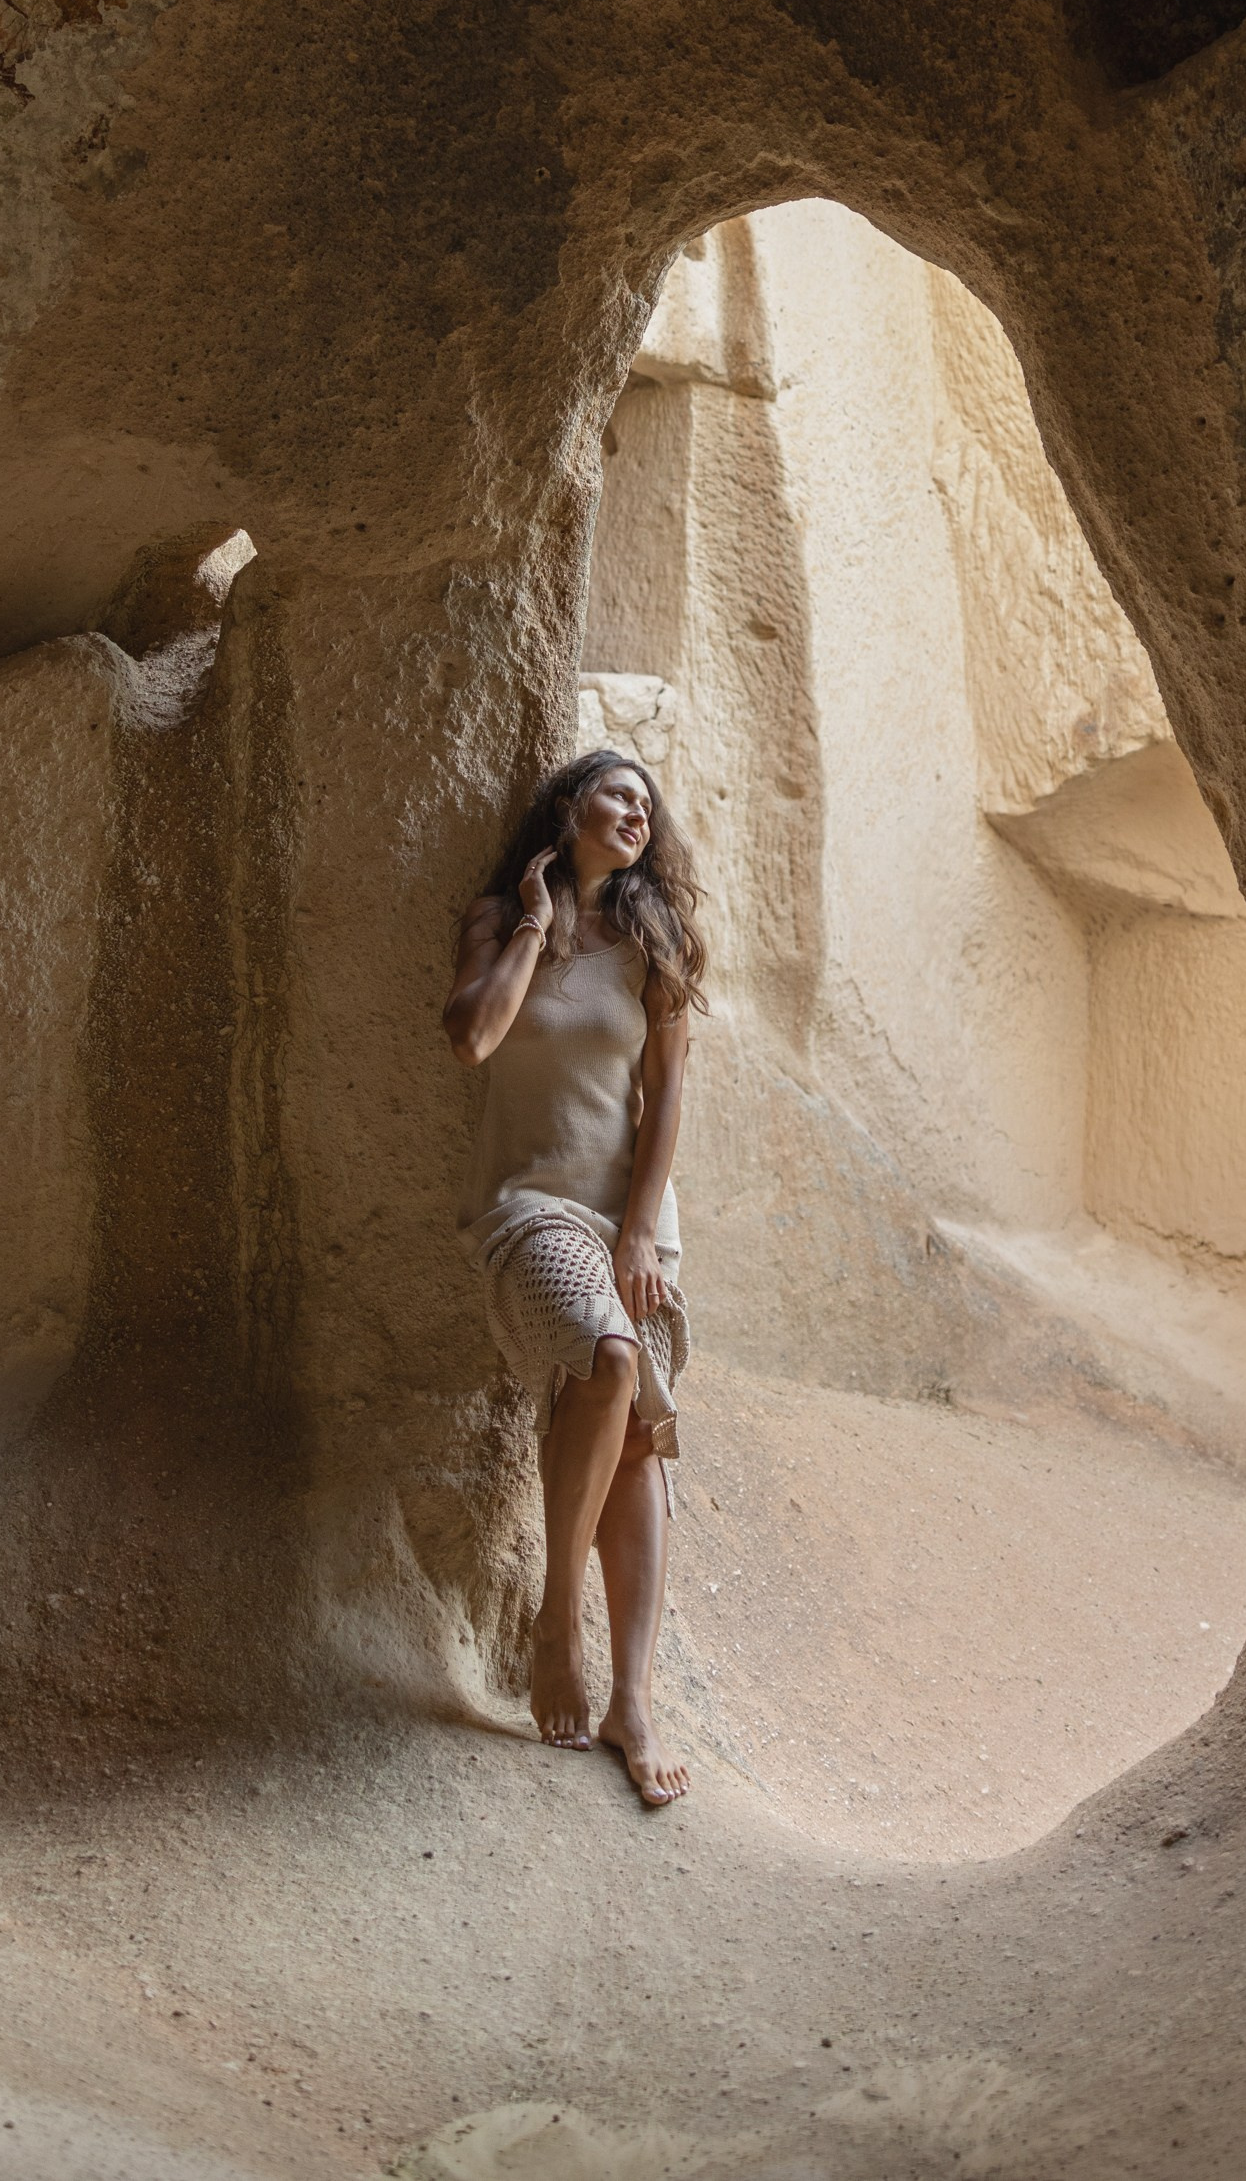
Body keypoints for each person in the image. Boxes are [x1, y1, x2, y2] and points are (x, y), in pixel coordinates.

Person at [444, 747, 706, 1807]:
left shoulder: (656, 939)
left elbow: (668, 1092)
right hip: (529, 1205)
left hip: (630, 1216)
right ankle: (557, 1623)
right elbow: (472, 1039)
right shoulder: (496, 920)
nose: (636, 812)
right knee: (608, 1359)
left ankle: (630, 1703)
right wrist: (533, 926)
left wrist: (639, 1233)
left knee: (637, 1429)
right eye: (617, 794)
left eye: (647, 803)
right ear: (568, 805)